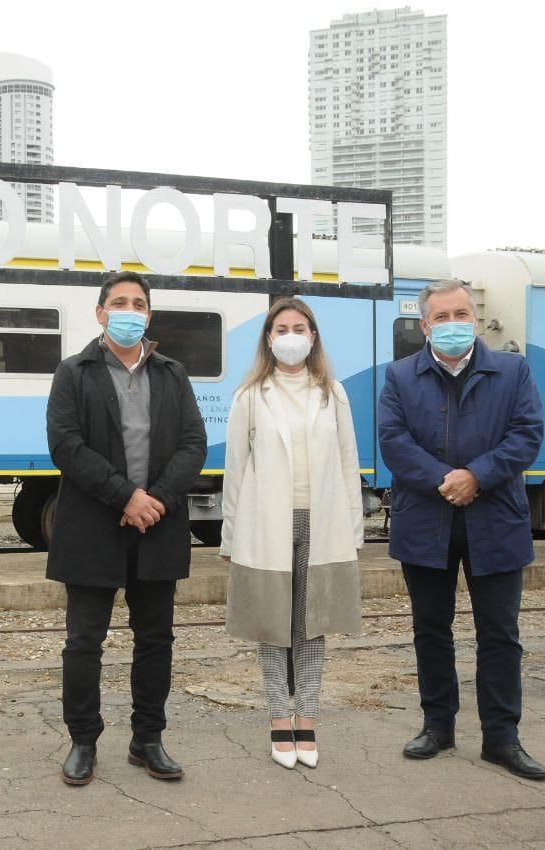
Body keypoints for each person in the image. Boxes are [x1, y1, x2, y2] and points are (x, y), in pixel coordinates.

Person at [378, 279, 545, 780]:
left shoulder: (513, 370)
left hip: (496, 521)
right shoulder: (400, 375)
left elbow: (527, 434)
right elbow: (393, 440)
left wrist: (477, 475)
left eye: (462, 314)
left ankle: (502, 738)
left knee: (500, 634)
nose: (453, 324)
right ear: (425, 325)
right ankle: (438, 726)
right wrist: (445, 479)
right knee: (431, 630)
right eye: (442, 316)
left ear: (474, 319)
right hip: (425, 522)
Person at [46, 271, 208, 786]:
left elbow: (193, 444)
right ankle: (83, 741)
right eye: (119, 302)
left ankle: (148, 739)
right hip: (93, 525)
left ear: (149, 315)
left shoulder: (172, 374)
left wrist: (155, 500)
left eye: (139, 303)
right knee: (84, 641)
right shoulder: (74, 372)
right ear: (100, 313)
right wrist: (126, 496)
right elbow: (65, 445)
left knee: (155, 639)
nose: (129, 311)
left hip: (157, 525)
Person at [219, 297, 363, 770]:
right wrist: (230, 536)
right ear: (268, 339)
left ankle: (308, 719)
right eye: (281, 329)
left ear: (313, 336)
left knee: (312, 625)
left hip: (323, 523)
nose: (291, 336)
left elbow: (348, 463)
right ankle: (279, 719)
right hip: (266, 525)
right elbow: (236, 470)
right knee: (272, 626)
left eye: (299, 328)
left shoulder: (332, 393)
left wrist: (354, 530)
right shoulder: (250, 395)